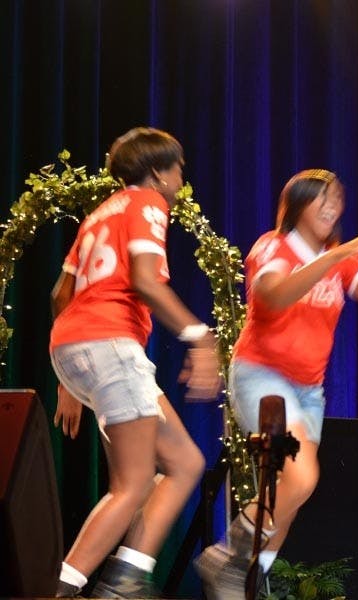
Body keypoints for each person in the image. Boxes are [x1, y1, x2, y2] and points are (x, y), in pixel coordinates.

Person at [194, 167, 358, 599]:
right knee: (302, 477)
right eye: (322, 198)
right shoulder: (274, 246)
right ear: (297, 204)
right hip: (261, 375)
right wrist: (331, 258)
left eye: (337, 198)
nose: (332, 206)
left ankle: (245, 580)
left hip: (309, 389)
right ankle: (228, 556)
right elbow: (274, 296)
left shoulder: (339, 258)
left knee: (291, 494)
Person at [49, 127, 222, 597]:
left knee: (184, 462)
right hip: (110, 345)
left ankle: (126, 577)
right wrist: (200, 337)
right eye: (178, 167)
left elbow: (61, 294)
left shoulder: (100, 213)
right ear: (157, 173)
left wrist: (71, 378)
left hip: (80, 346)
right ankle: (62, 589)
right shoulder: (148, 202)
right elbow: (146, 281)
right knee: (134, 483)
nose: (181, 176)